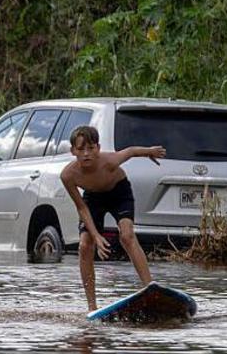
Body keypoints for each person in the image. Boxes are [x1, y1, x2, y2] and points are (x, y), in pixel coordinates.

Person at [60, 125, 166, 312]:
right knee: (85, 245)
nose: (86, 154)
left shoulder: (109, 161)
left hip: (119, 193)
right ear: (72, 151)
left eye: (91, 148)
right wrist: (95, 236)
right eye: (81, 149)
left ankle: (150, 288)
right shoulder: (68, 175)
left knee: (127, 236)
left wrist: (149, 151)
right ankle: (91, 306)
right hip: (92, 199)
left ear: (98, 148)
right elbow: (81, 207)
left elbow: (131, 151)